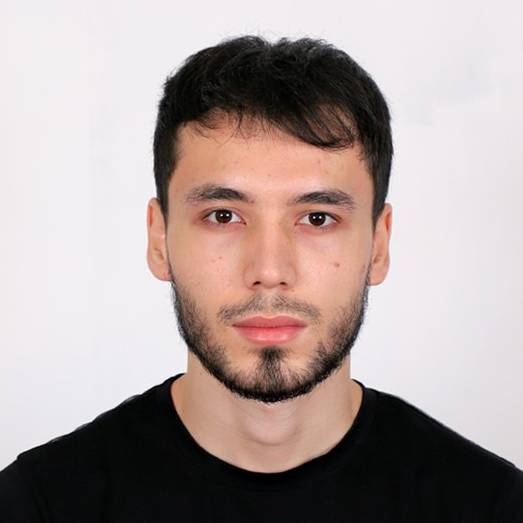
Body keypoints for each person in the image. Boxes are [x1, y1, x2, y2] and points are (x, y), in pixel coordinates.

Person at [1, 34, 522, 523]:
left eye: (317, 218)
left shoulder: (491, 506)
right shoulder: (38, 505)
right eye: (223, 215)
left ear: (379, 246)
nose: (269, 272)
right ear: (159, 240)